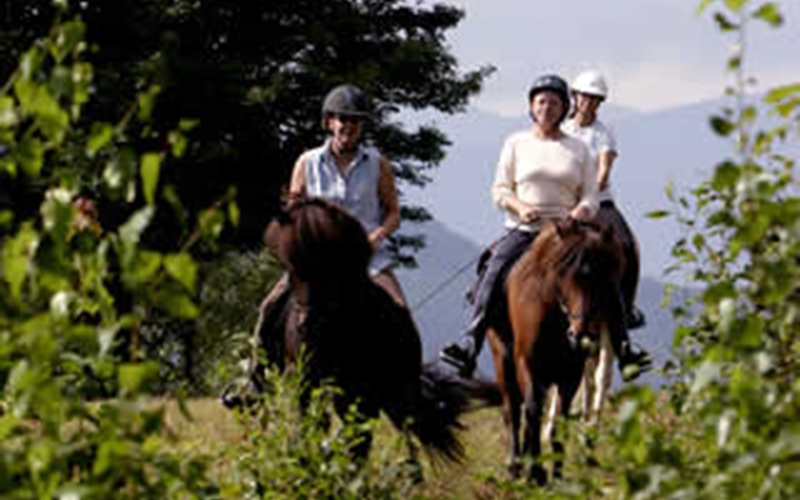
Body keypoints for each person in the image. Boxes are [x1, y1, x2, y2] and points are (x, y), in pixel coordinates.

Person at [440, 74, 650, 381]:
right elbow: (500, 190)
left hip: (566, 233)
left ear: (564, 107)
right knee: (493, 269)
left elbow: (591, 195)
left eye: (554, 102)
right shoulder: (515, 143)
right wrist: (521, 207)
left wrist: (579, 212)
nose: (547, 108)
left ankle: (624, 349)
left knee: (603, 274)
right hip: (525, 229)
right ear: (531, 106)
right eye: (541, 101)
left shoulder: (578, 148)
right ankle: (470, 341)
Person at [241, 83, 406, 393]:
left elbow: (393, 213)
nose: (348, 126)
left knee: (399, 310)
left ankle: (406, 384)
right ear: (329, 122)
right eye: (342, 119)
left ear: (361, 126)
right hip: (318, 263)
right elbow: (293, 211)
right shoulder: (307, 163)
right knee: (269, 307)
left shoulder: (377, 164)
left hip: (366, 258)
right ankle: (255, 381)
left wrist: (376, 236)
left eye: (355, 120)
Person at [562, 70, 647, 332]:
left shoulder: (604, 133)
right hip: (561, 201)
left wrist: (587, 195)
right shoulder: (560, 129)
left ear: (600, 102)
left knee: (627, 246)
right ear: (574, 97)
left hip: (599, 202)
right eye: (584, 96)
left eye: (594, 98)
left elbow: (603, 171)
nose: (588, 102)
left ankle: (626, 310)